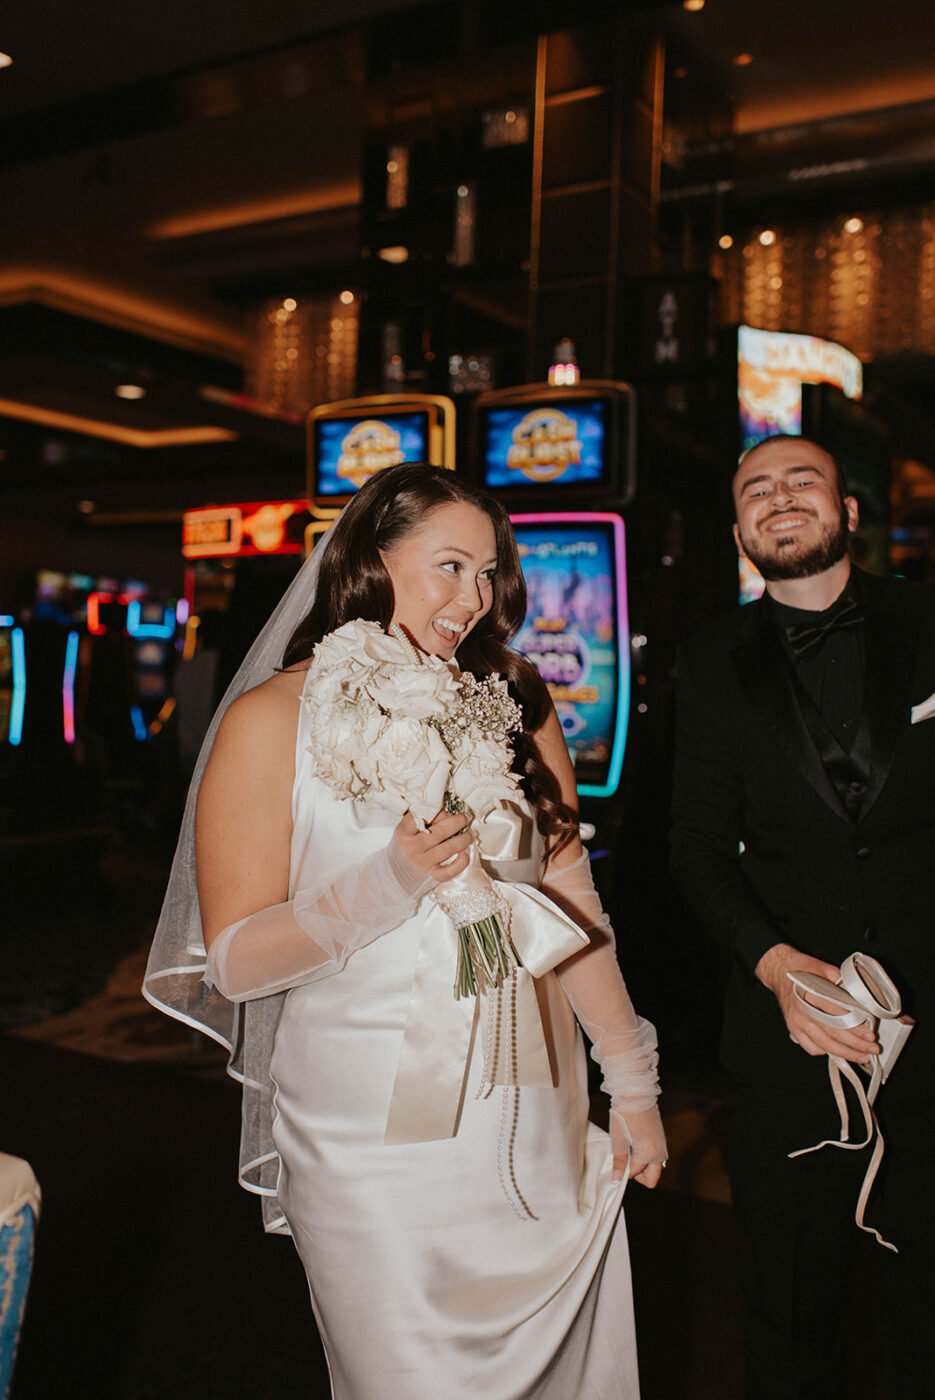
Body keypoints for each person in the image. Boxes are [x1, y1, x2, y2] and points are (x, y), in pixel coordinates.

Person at [145, 463, 665, 1400]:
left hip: (531, 1112)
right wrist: (387, 881)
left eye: (489, 573)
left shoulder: (513, 702)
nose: (474, 598)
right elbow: (234, 963)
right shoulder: (270, 720)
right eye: (449, 566)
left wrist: (630, 1082)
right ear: (370, 560)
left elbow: (575, 910)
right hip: (368, 1134)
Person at [670, 434, 935, 1398]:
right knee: (788, 1314)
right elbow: (695, 847)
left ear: (847, 510)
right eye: (755, 490)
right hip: (786, 1046)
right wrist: (775, 967)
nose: (778, 498)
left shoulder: (928, 621)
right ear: (739, 527)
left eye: (801, 481)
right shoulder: (707, 661)